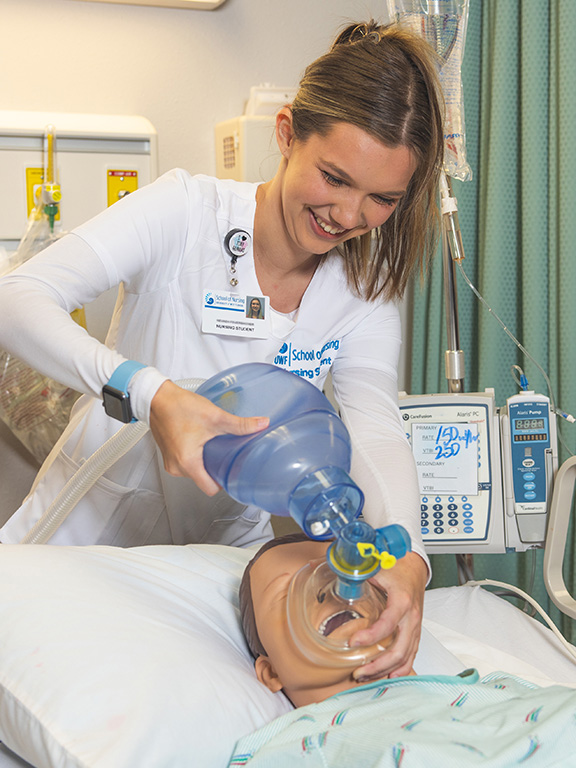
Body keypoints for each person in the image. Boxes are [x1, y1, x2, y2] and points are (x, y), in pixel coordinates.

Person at [0, 20, 444, 679]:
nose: (349, 216)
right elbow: (18, 298)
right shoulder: (186, 214)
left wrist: (409, 557)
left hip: (218, 557)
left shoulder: (364, 289)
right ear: (288, 132)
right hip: (89, 533)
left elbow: (374, 424)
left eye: (381, 198)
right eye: (334, 178)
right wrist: (149, 393)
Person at [239, 532, 417, 707]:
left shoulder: (443, 706)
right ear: (271, 673)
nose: (329, 593)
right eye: (286, 596)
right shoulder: (285, 736)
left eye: (339, 574)